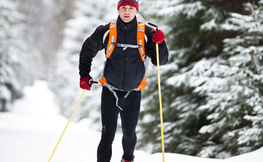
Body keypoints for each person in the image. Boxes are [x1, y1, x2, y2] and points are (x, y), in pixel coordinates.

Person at [79, 0, 169, 162]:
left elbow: (160, 61)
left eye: (131, 8)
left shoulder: (146, 32)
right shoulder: (106, 31)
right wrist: (84, 75)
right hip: (110, 90)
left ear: (136, 10)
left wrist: (161, 44)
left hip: (133, 92)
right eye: (123, 8)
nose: (127, 12)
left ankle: (127, 159)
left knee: (129, 134)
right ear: (118, 9)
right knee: (107, 134)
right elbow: (87, 51)